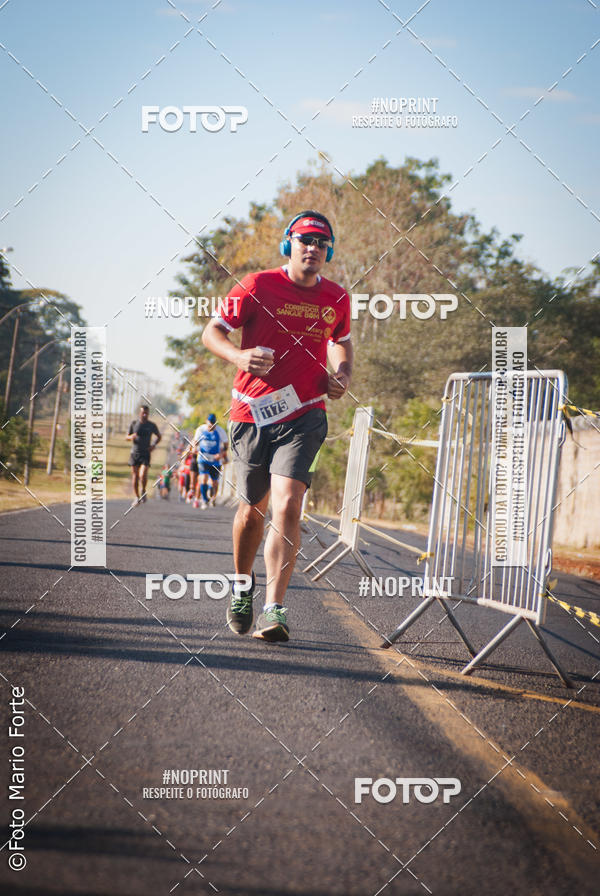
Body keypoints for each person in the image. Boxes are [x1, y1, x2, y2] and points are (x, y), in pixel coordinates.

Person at [202, 210, 352, 642]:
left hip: (305, 413)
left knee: (287, 505)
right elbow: (213, 331)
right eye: (305, 240)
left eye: (321, 243)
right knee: (252, 510)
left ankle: (275, 608)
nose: (313, 248)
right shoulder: (257, 285)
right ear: (289, 245)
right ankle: (243, 586)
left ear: (328, 251)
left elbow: (340, 344)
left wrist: (340, 376)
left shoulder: (337, 298)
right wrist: (238, 357)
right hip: (252, 413)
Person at [126, 405, 161, 506]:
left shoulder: (151, 425)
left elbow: (159, 436)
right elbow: (127, 437)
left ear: (148, 413)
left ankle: (143, 490)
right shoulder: (134, 423)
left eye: (146, 413)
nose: (145, 414)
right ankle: (137, 497)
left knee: (142, 474)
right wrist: (131, 437)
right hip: (135, 453)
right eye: (143, 413)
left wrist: (153, 445)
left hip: (146, 453)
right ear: (139, 413)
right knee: (135, 476)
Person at [193, 413, 229, 508]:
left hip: (215, 459)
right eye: (209, 426)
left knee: (214, 482)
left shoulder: (220, 431)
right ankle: (204, 500)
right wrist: (194, 448)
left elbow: (226, 445)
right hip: (203, 458)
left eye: (213, 426)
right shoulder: (200, 430)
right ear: (206, 422)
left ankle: (213, 498)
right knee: (203, 478)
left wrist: (221, 455)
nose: (211, 428)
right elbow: (195, 442)